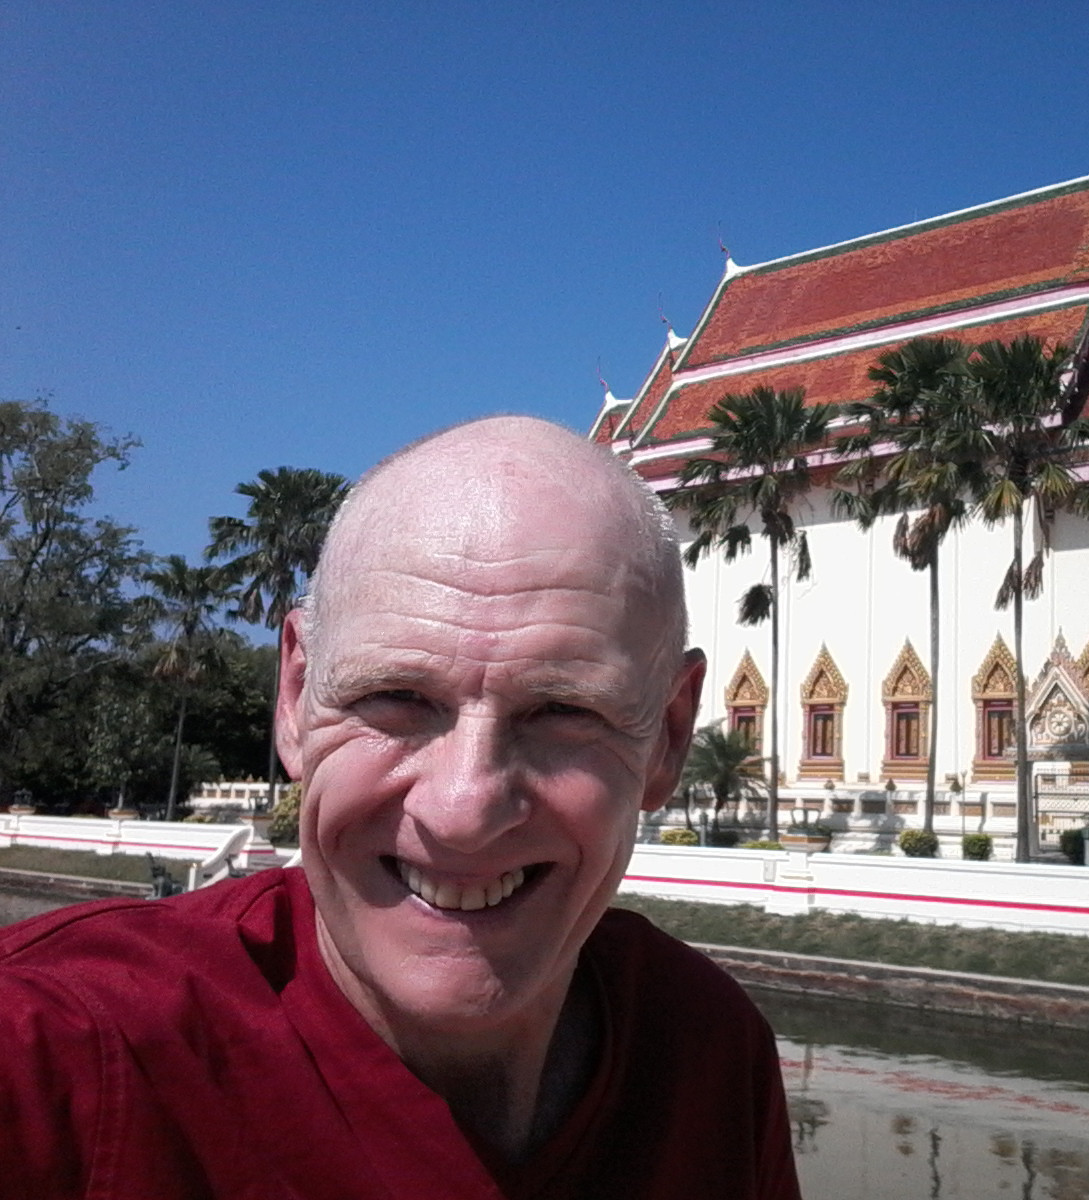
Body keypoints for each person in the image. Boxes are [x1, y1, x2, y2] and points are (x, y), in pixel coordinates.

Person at [0, 416, 802, 1199]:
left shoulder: (706, 1052)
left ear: (666, 737)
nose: (463, 810)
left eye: (563, 710)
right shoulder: (62, 1058)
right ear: (295, 698)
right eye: (395, 698)